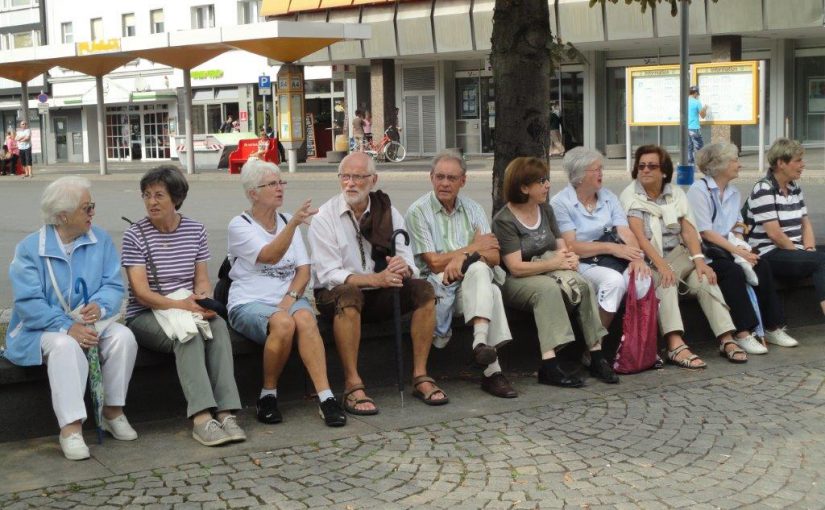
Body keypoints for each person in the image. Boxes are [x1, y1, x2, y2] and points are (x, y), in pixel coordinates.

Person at [4, 177, 138, 460]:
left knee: (123, 338)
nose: (93, 213)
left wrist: (100, 308)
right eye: (86, 208)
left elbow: (113, 286)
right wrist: (68, 327)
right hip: (38, 328)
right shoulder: (30, 249)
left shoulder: (99, 239)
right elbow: (29, 305)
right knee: (64, 347)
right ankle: (71, 428)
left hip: (88, 322)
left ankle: (113, 411)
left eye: (92, 206)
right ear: (63, 215)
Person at [308, 152, 447, 414]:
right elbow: (328, 274)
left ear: (373, 179)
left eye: (358, 177)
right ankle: (352, 383)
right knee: (349, 294)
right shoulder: (324, 217)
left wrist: (401, 267)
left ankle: (420, 376)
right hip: (335, 296)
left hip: (380, 292)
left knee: (424, 290)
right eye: (345, 177)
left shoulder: (387, 211)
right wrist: (375, 278)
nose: (350, 183)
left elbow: (408, 259)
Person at [122, 165, 245, 447]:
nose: (151, 202)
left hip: (185, 306)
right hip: (147, 315)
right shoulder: (136, 235)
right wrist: (181, 305)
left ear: (176, 198)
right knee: (187, 336)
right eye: (147, 195)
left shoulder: (195, 229)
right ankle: (202, 418)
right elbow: (141, 293)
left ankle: (226, 413)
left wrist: (203, 302)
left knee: (218, 327)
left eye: (158, 195)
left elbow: (201, 280)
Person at [227, 160, 347, 427]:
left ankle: (326, 397)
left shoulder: (285, 219)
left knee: (305, 319)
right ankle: (267, 395)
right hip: (249, 301)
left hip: (287, 298)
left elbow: (303, 270)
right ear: (252, 193)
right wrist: (292, 225)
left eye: (281, 182)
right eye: (271, 184)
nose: (280, 188)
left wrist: (290, 298)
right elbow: (270, 256)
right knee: (282, 323)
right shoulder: (240, 225)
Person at [492, 157, 619, 388]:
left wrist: (569, 259)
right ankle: (550, 365)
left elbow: (562, 247)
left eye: (547, 180)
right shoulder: (504, 220)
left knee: (583, 284)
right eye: (541, 181)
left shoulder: (546, 210)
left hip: (551, 271)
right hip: (518, 281)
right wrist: (556, 264)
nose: (548, 185)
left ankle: (596, 355)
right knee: (548, 290)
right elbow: (516, 267)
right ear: (523, 187)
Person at [620, 145, 745, 367]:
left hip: (679, 256)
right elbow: (639, 237)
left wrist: (699, 262)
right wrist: (662, 265)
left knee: (706, 278)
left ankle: (726, 338)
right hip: (650, 262)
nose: (645, 170)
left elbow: (688, 230)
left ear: (664, 171)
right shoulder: (631, 196)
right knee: (666, 283)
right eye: (641, 166)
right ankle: (674, 344)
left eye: (652, 166)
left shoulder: (675, 193)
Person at [405, 150, 517, 399]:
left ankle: (480, 344)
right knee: (491, 288)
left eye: (451, 178)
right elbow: (433, 263)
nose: (445, 183)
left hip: (470, 287)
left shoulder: (473, 209)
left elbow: (495, 258)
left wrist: (463, 259)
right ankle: (492, 371)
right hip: (437, 288)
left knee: (479, 270)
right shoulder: (418, 211)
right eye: (440, 177)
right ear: (431, 178)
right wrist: (474, 249)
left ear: (463, 181)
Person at [688, 142, 797, 353]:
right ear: (718, 165)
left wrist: (741, 246)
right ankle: (743, 332)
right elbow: (705, 231)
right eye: (735, 160)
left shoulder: (733, 192)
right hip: (708, 252)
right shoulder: (698, 190)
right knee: (731, 272)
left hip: (729, 247)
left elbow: (738, 224)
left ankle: (773, 327)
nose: (739, 165)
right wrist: (737, 251)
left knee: (762, 265)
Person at [550, 147, 652, 331]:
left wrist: (636, 258)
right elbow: (571, 245)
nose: (601, 173)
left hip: (612, 258)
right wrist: (611, 248)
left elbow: (625, 231)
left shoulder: (608, 197)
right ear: (580, 175)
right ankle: (596, 345)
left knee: (642, 277)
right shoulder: (560, 203)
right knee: (613, 281)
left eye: (601, 168)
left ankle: (637, 346)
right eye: (596, 169)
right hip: (581, 262)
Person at [744, 137, 825, 324]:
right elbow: (775, 234)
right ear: (781, 163)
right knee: (820, 260)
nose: (802, 165)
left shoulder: (794, 188)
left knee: (818, 257)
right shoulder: (763, 189)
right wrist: (802, 255)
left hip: (792, 251)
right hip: (769, 254)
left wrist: (809, 249)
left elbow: (805, 223)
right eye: (798, 161)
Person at [687, 86, 707, 165]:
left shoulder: (684, 102)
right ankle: (701, 163)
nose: (697, 95)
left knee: (689, 147)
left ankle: (690, 163)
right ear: (695, 93)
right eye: (697, 94)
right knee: (699, 147)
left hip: (686, 128)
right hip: (694, 128)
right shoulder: (696, 102)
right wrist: (705, 108)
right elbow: (703, 115)